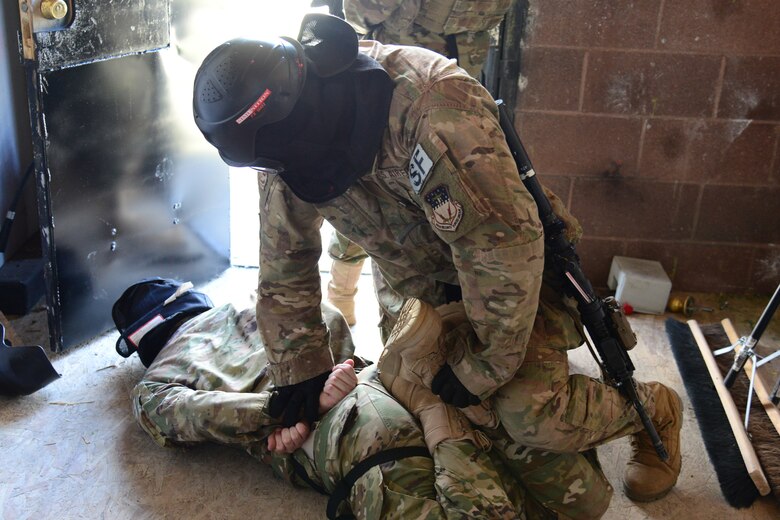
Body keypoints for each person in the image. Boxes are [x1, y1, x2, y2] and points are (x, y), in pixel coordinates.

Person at [191, 12, 682, 504]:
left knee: (527, 415)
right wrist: (301, 376)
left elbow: (504, 254)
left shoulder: (434, 111)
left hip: (514, 278)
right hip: (412, 282)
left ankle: (652, 409)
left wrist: (482, 366)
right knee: (422, 400)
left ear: (296, 117)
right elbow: (284, 268)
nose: (270, 170)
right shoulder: (283, 144)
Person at [113, 278, 612, 519]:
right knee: (585, 501)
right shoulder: (257, 305)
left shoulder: (158, 377)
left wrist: (289, 413)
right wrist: (333, 376)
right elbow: (329, 318)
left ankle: (438, 419)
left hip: (352, 439)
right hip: (374, 383)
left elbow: (180, 417)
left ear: (141, 343)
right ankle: (429, 396)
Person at [318, 0, 516, 325]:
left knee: (379, 192)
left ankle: (357, 301)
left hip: (411, 72)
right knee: (400, 193)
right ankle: (345, 295)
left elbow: (367, 11)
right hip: (438, 68)